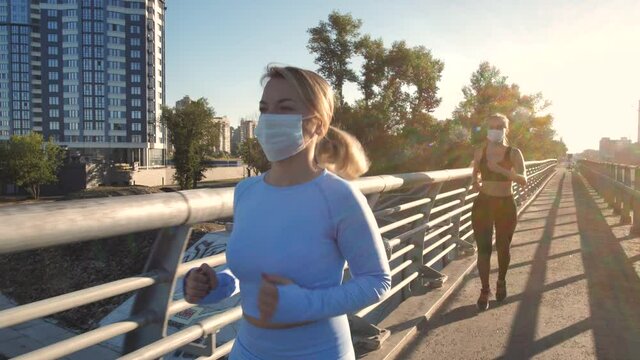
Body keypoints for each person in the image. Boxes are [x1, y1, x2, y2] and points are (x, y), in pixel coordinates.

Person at [183, 65, 392, 359]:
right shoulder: (246, 192)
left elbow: (377, 281)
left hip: (319, 351)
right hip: (246, 350)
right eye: (264, 109)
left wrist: (306, 303)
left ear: (317, 125)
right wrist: (217, 284)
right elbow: (257, 272)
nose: (268, 120)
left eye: (284, 108)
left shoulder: (339, 196)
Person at [470, 113, 527, 311]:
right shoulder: (480, 151)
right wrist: (475, 182)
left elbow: (523, 179)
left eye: (499, 126)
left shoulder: (513, 152)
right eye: (492, 125)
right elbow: (475, 171)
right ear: (487, 129)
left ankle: (501, 280)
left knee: (504, 248)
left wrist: (502, 171)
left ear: (505, 129)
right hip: (483, 204)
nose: (495, 129)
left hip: (505, 204)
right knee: (483, 249)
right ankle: (485, 289)